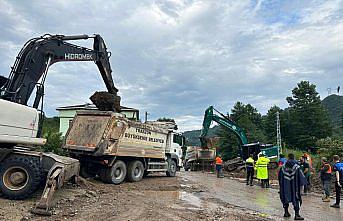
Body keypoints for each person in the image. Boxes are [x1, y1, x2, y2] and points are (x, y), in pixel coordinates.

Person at [278, 153, 306, 220]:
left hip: (285, 185)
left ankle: (286, 212)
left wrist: (281, 185)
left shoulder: (283, 167)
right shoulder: (297, 167)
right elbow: (301, 177)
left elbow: (279, 177)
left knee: (285, 198)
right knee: (296, 198)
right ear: (293, 158)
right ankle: (297, 215)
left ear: (288, 157)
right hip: (294, 186)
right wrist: (303, 185)